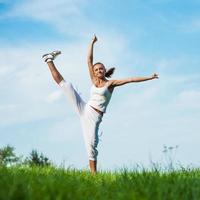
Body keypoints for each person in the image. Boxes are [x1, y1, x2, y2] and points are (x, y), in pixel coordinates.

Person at [42, 35, 159, 173]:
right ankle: (48, 59)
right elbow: (89, 60)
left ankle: (93, 175)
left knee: (91, 145)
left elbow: (131, 79)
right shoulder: (94, 80)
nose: (98, 71)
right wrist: (92, 42)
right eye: (96, 69)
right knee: (66, 85)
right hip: (84, 108)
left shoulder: (110, 84)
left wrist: (149, 77)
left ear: (104, 71)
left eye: (100, 69)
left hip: (93, 116)